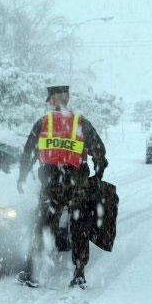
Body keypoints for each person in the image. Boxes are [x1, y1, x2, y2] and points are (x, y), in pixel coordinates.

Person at [16, 85, 108, 289]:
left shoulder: (43, 123)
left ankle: (32, 272)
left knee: (43, 226)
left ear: (54, 100)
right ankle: (79, 274)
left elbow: (28, 153)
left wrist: (22, 176)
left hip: (51, 184)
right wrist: (98, 174)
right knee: (79, 227)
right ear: (66, 99)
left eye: (50, 99)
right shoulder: (80, 123)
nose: (49, 102)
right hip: (78, 184)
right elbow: (99, 153)